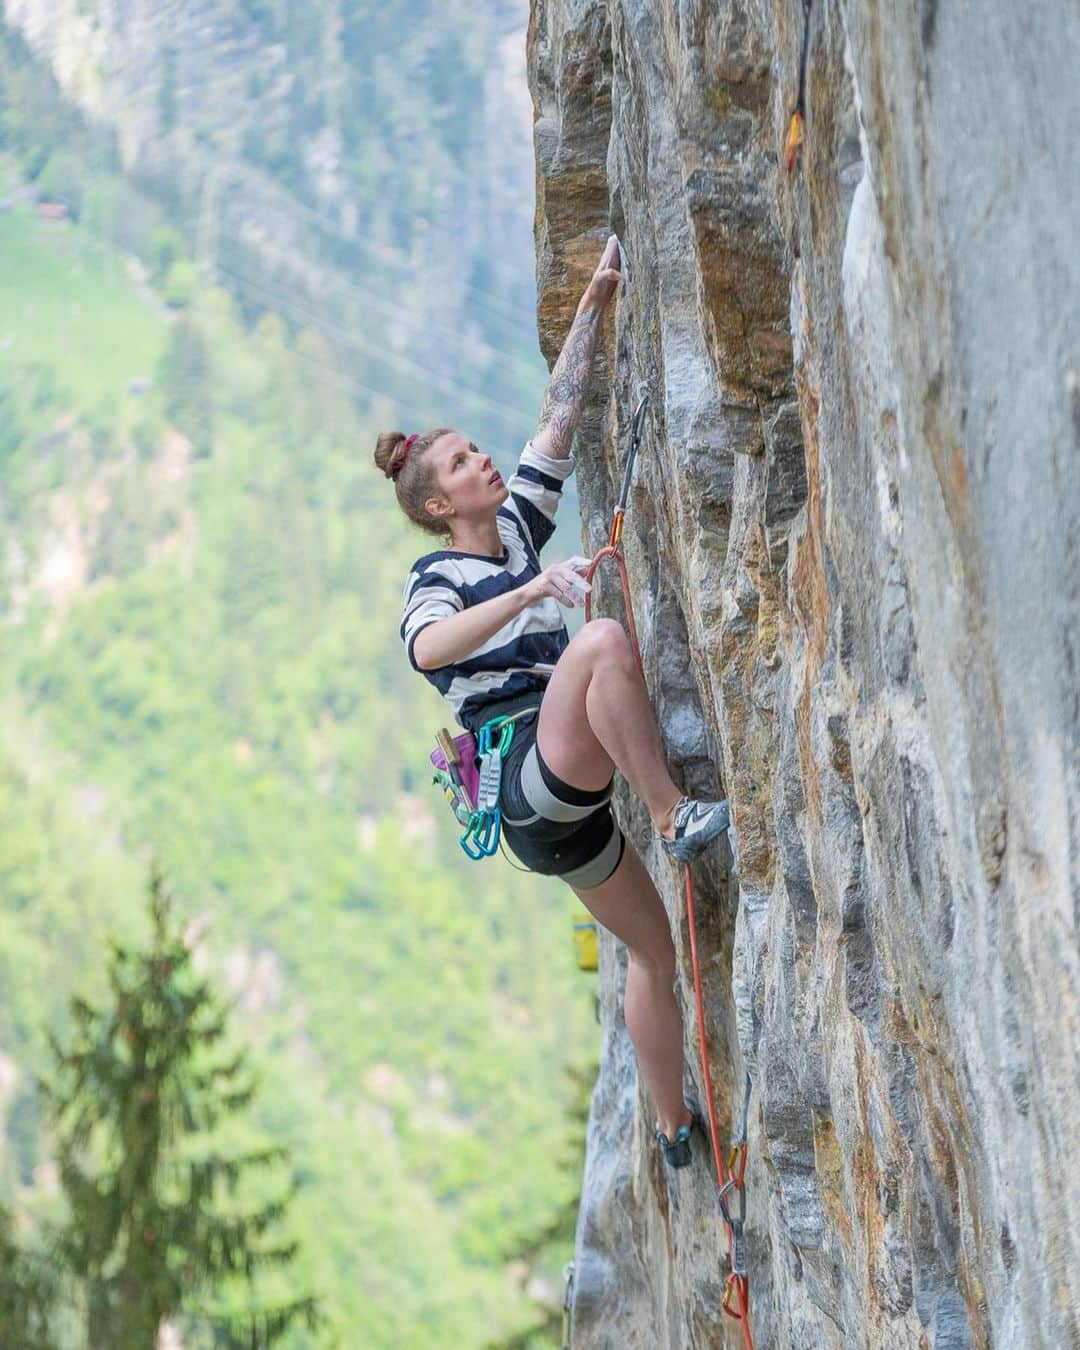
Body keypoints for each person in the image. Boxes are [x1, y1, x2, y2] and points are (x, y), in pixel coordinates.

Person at [373, 235, 731, 1167]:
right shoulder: (442, 573)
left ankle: (671, 1129)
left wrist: (594, 304)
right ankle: (672, 811)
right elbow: (424, 648)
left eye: (475, 451)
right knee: (604, 639)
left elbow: (557, 422)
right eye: (461, 464)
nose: (483, 463)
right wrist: (528, 595)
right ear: (437, 505)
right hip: (531, 772)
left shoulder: (518, 531)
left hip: (551, 814)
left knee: (655, 957)